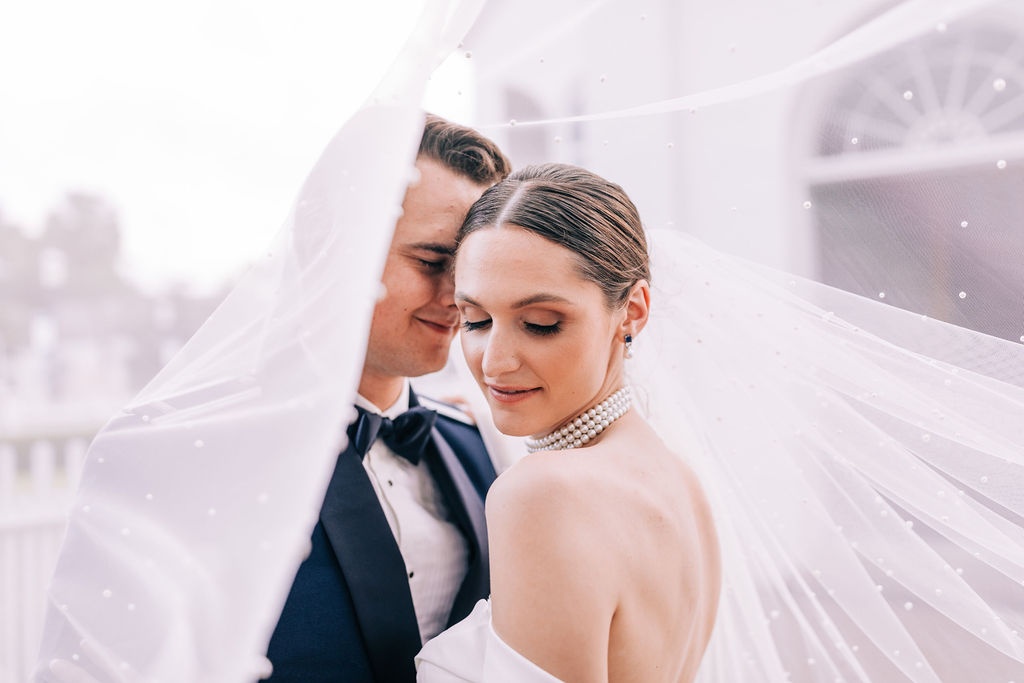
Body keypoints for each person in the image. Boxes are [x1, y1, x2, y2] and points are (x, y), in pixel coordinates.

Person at [416, 163, 722, 682]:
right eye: (476, 321)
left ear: (632, 311)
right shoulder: (681, 484)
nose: (494, 362)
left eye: (541, 324)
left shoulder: (543, 493)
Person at [262, 113, 512, 683]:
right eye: (430, 262)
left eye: (472, 268)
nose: (459, 295)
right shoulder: (215, 452)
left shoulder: (479, 443)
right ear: (330, 250)